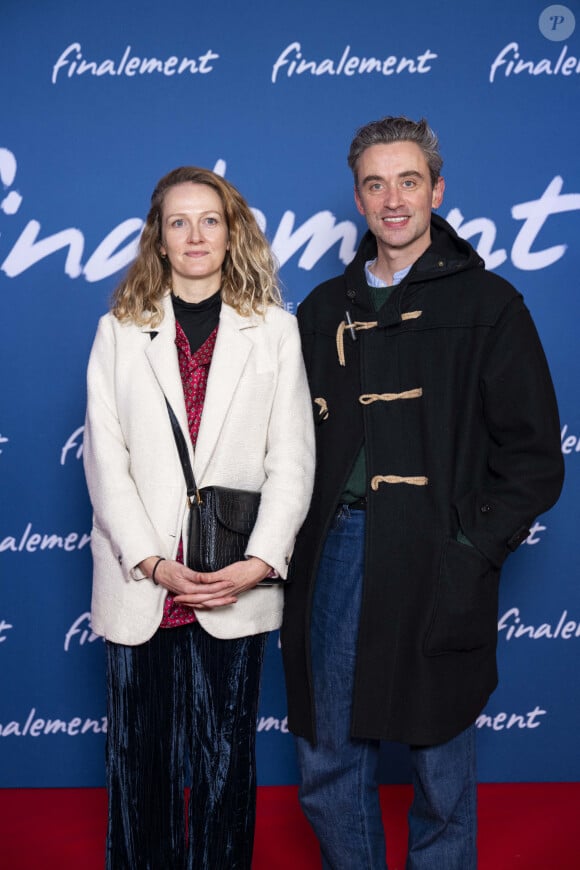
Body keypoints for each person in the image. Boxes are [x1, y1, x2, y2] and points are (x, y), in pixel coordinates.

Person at [281, 116, 564, 869]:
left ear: (437, 190)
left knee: (441, 772)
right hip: (336, 548)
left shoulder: (490, 305)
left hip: (440, 547)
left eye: (409, 181)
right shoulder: (318, 312)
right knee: (328, 760)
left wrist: (471, 547)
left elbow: (536, 458)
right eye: (376, 184)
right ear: (358, 199)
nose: (393, 199)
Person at [83, 166, 315, 869]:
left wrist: (260, 561)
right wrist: (152, 561)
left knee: (224, 766)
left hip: (232, 584)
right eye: (178, 221)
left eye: (209, 220)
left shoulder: (275, 332)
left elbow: (293, 459)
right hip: (143, 584)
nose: (194, 235)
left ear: (231, 231)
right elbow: (105, 459)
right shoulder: (119, 331)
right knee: (139, 766)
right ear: (158, 238)